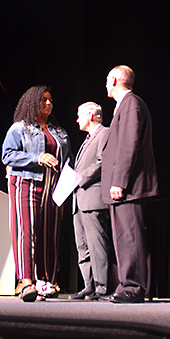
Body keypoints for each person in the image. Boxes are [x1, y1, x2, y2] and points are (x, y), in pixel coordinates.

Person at [2, 86, 71, 302]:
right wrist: (37, 157)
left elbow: (68, 159)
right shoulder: (19, 128)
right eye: (43, 100)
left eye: (50, 100)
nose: (48, 104)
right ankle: (25, 281)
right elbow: (8, 155)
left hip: (52, 188)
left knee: (50, 233)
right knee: (26, 230)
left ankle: (46, 279)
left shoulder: (59, 132)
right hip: (25, 184)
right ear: (32, 102)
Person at [100, 65, 158, 303]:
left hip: (129, 186)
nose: (105, 84)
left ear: (114, 80)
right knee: (123, 238)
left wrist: (120, 181)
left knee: (130, 237)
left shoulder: (131, 103)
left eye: (106, 80)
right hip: (123, 187)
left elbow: (128, 145)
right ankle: (126, 285)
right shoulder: (123, 105)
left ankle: (134, 288)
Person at [70, 102, 111, 301]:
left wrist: (79, 178)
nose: (77, 119)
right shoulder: (87, 139)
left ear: (90, 114)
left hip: (92, 199)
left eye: (79, 115)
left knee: (97, 244)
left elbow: (103, 162)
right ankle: (89, 285)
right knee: (82, 247)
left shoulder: (105, 133)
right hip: (78, 200)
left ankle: (102, 287)